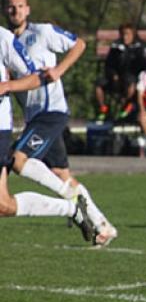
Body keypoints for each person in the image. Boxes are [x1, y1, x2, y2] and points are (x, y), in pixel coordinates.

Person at [2, 0, 117, 246]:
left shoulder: (42, 32)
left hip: (51, 112)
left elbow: (79, 44)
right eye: (10, 6)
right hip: (35, 118)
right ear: (4, 10)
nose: (15, 10)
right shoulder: (7, 41)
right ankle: (103, 226)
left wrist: (59, 70)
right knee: (62, 173)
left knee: (17, 161)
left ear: (28, 9)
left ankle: (72, 202)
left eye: (20, 6)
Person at [0, 26, 94, 238]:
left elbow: (35, 77)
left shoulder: (3, 38)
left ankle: (74, 204)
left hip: (1, 127)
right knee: (4, 206)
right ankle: (71, 208)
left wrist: (6, 86)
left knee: (19, 168)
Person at [95, 22, 146, 122]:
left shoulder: (140, 46)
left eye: (127, 34)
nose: (125, 37)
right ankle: (103, 108)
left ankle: (126, 105)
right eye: (123, 34)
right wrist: (113, 74)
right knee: (99, 84)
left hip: (131, 77)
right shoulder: (116, 46)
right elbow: (109, 64)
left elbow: (142, 65)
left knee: (131, 85)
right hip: (115, 77)